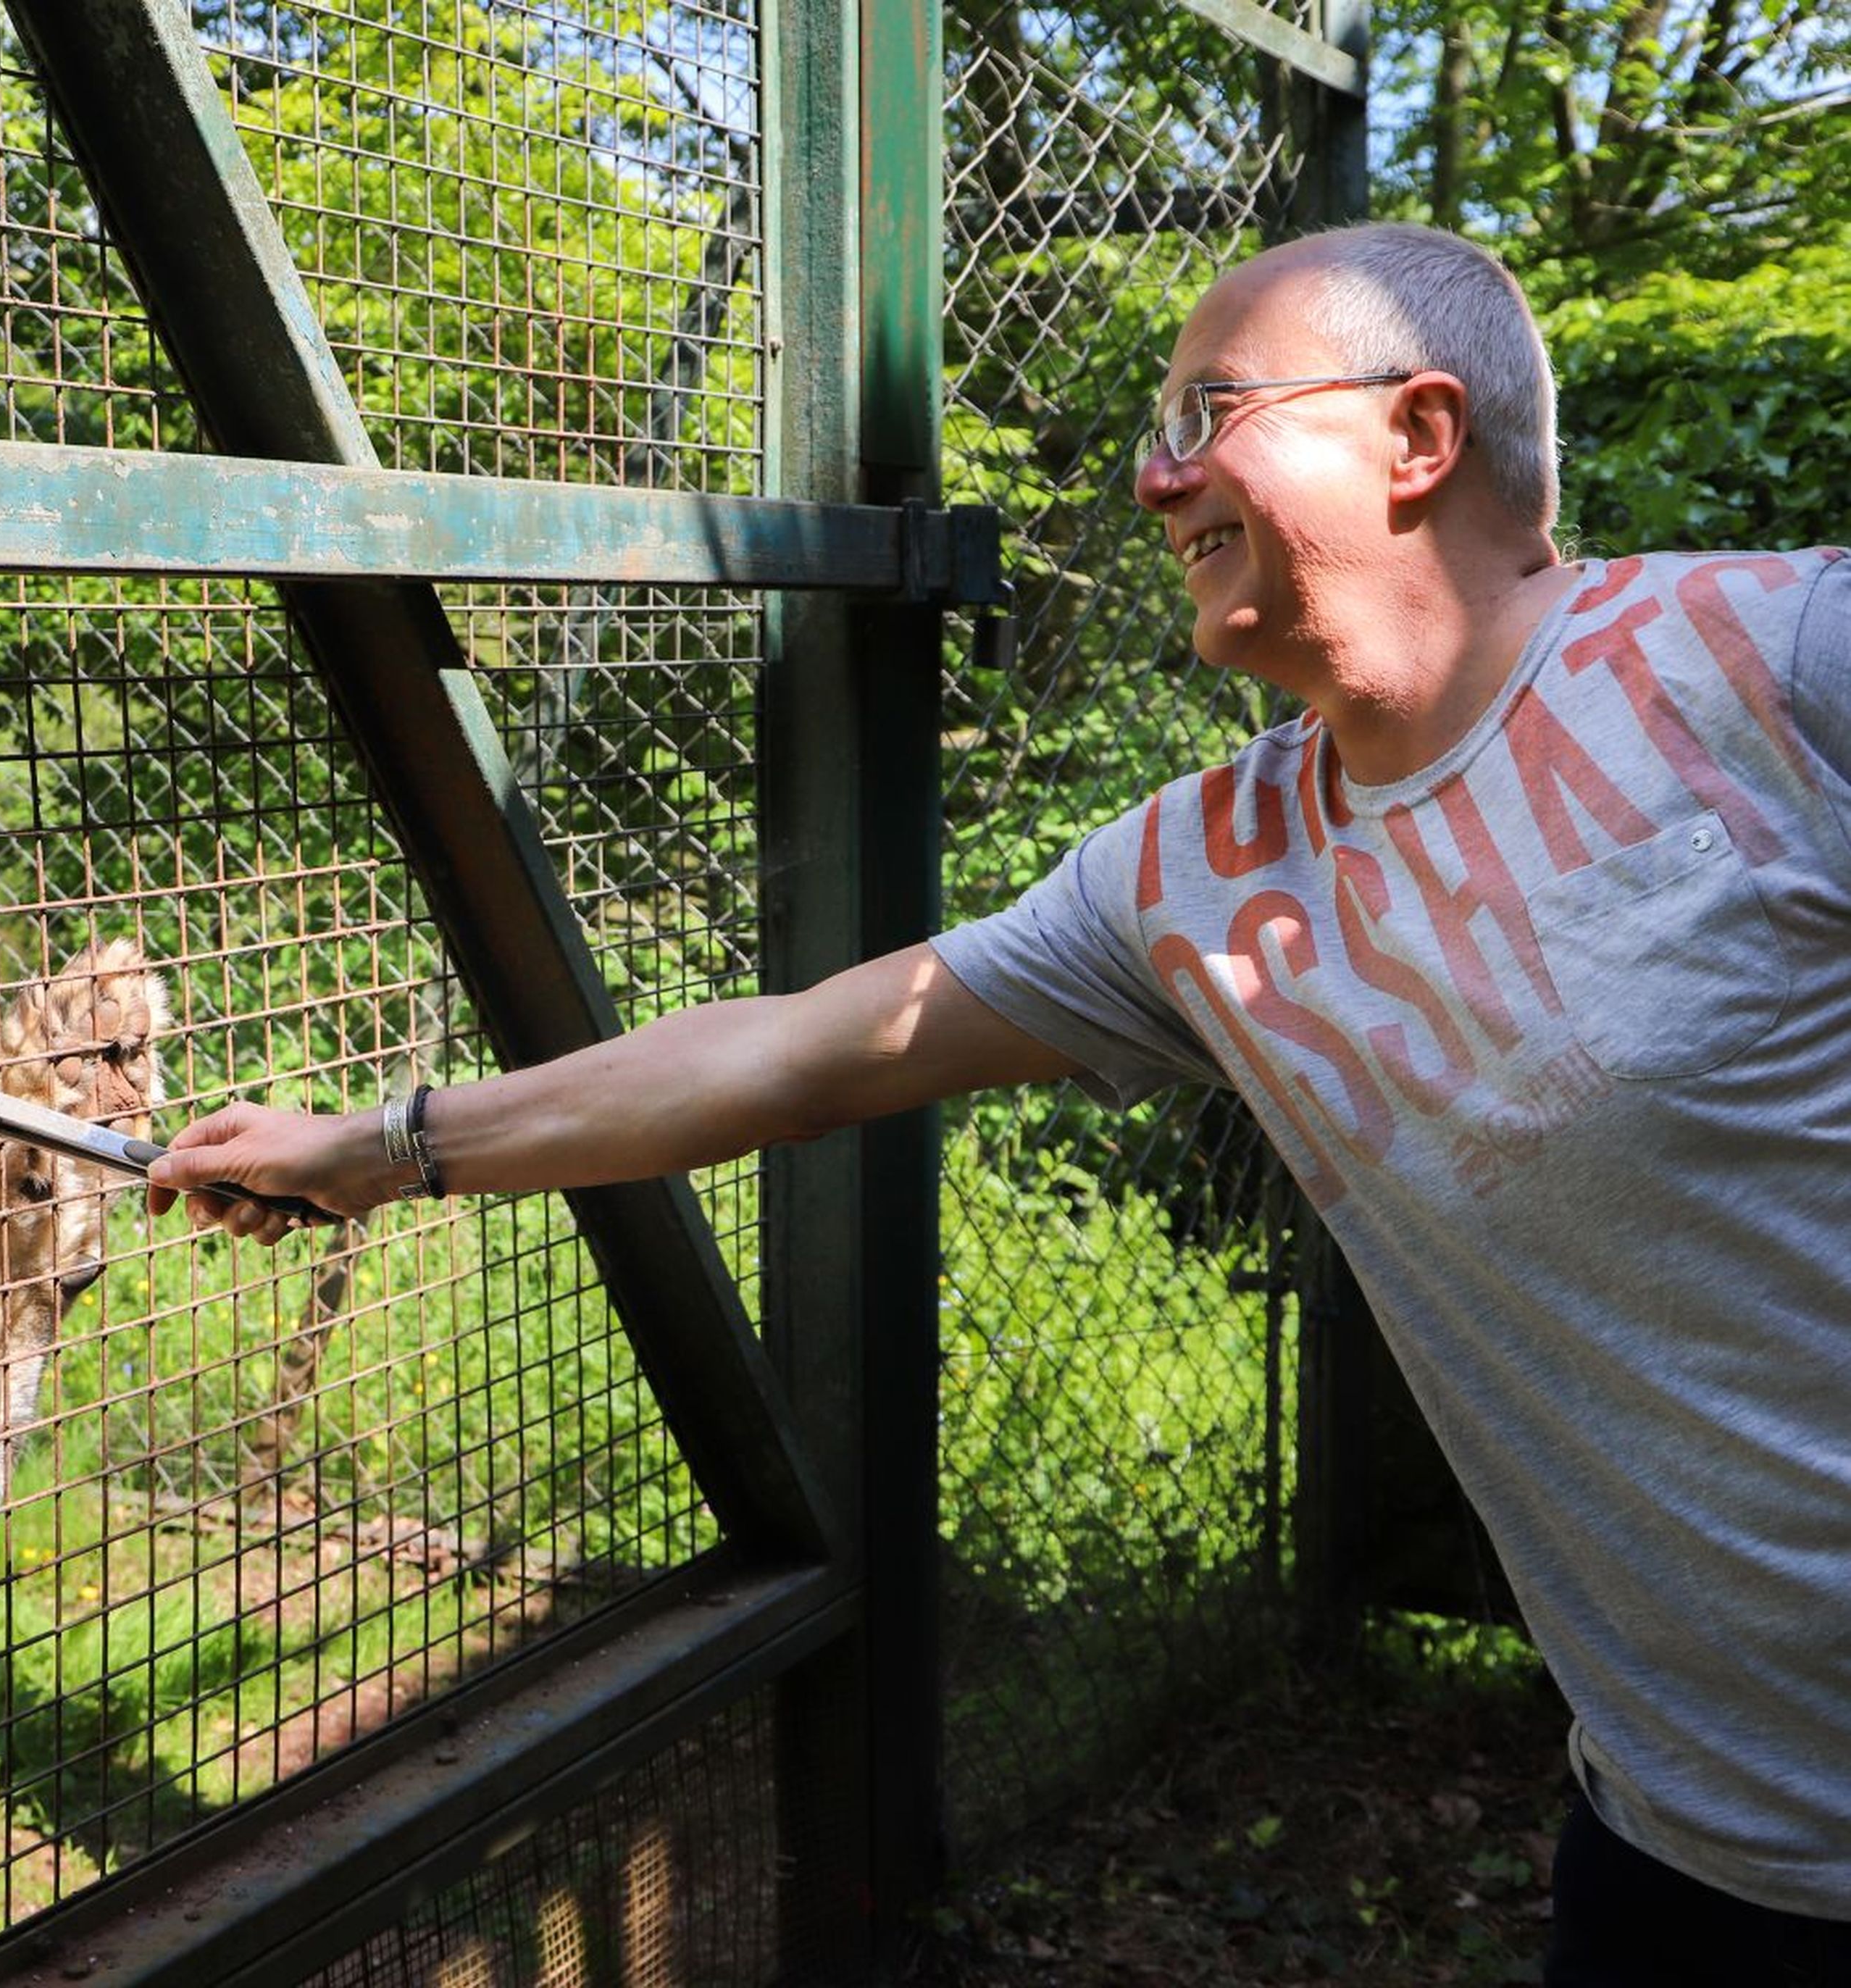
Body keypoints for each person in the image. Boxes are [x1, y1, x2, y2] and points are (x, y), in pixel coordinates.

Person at [142, 220, 1851, 1984]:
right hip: (1683, 1851)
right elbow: (795, 1049)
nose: (1150, 472)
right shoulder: (1198, 874)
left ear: (1418, 439)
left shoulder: (1776, 665)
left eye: (1210, 408)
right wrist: (384, 1147)